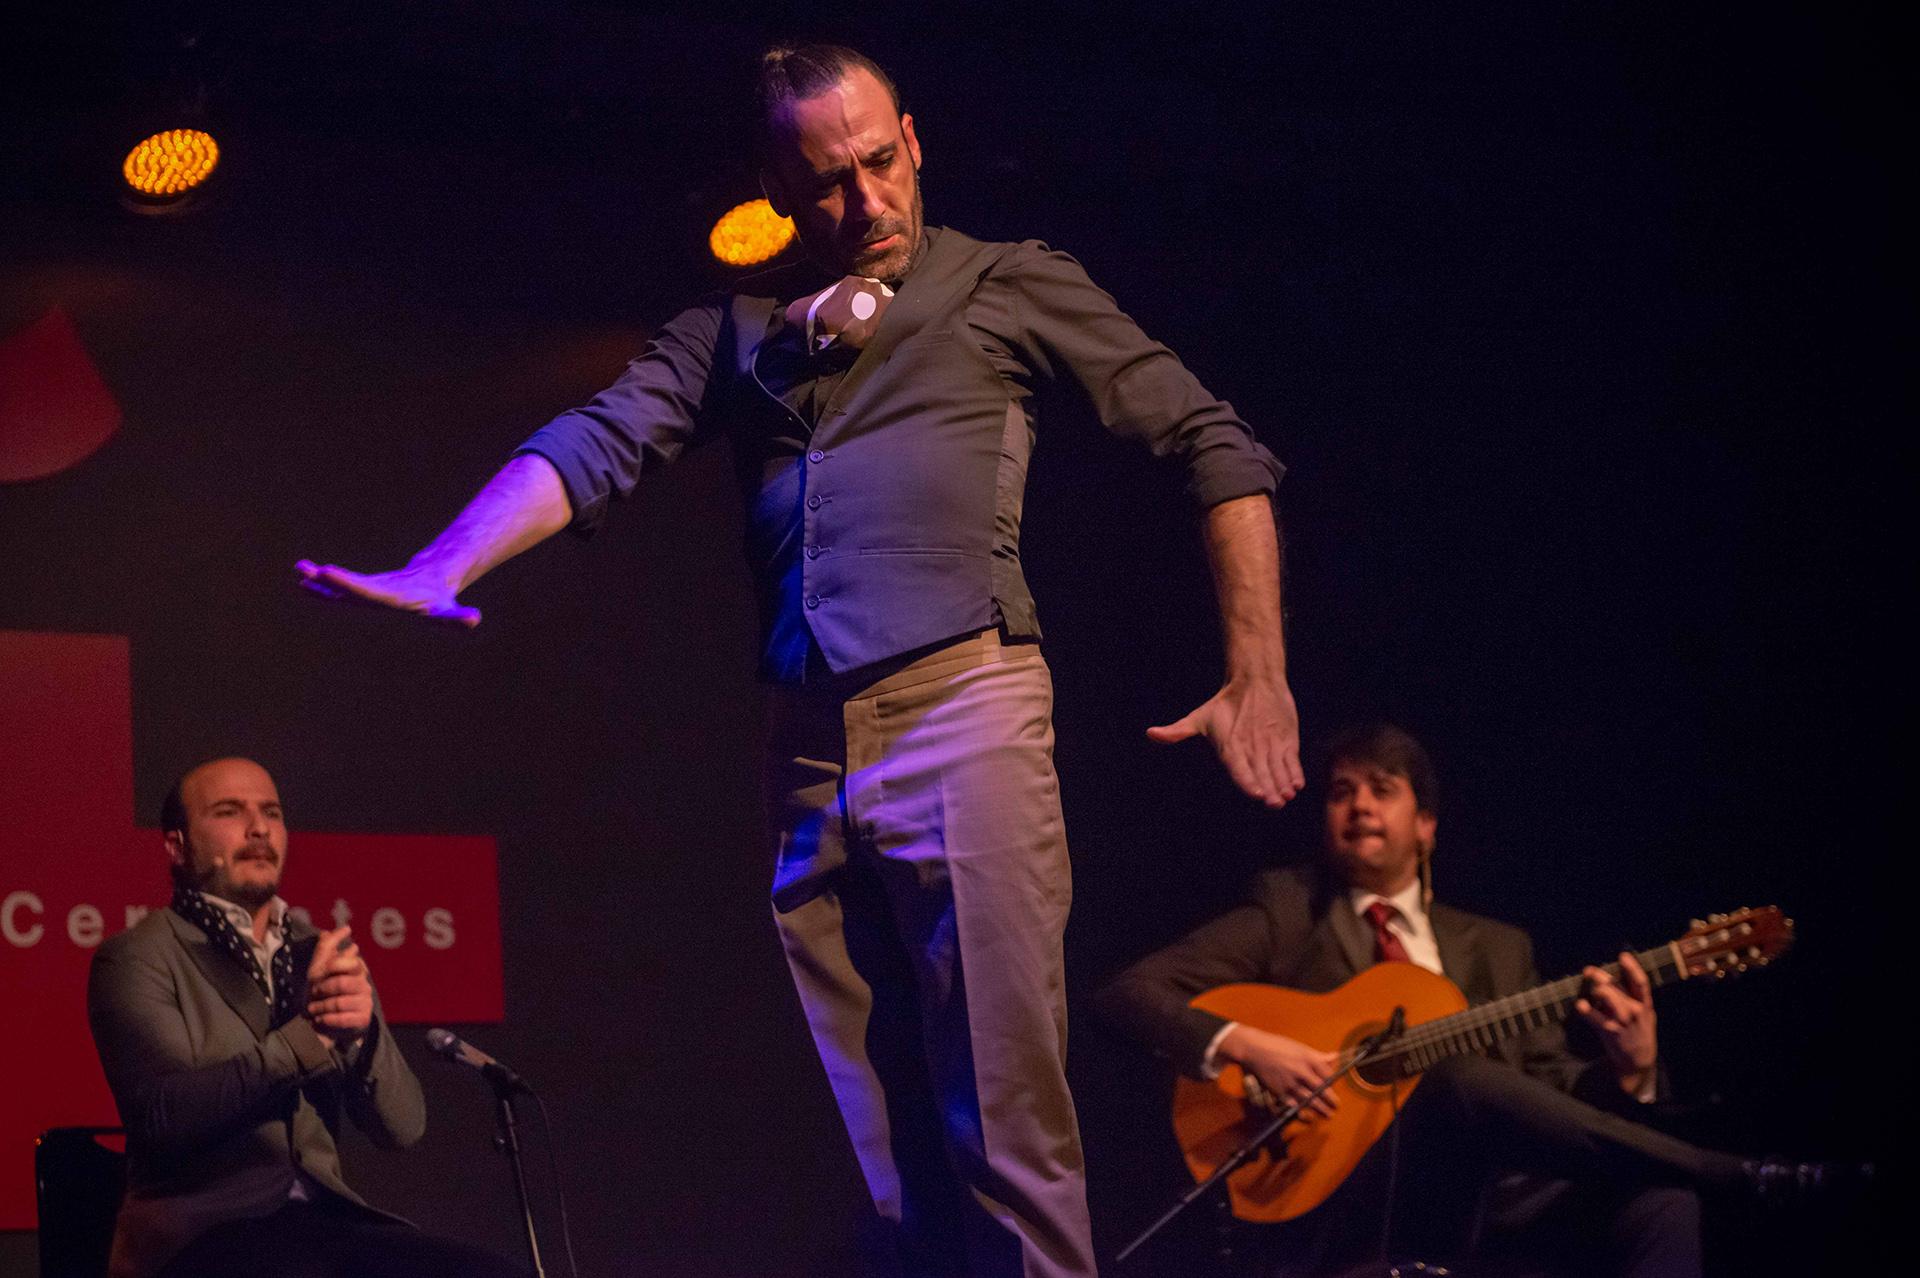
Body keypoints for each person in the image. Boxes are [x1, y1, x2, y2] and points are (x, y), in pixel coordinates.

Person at [295, 42, 1300, 1278]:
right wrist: (443, 564)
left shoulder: (1005, 284)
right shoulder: (736, 334)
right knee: (890, 1153)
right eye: (828, 182)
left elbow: (1215, 445)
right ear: (779, 191)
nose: (867, 201)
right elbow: (597, 441)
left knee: (1004, 1117)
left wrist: (1260, 671)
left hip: (962, 712)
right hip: (811, 753)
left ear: (915, 140)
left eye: (882, 162)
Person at [1095, 723, 1773, 1278]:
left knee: (1664, 1205)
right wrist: (1247, 1045)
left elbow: (1548, 1089)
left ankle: (1697, 1177)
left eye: (1381, 790)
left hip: (1496, 1197)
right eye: (1340, 792)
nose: (1358, 805)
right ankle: (1732, 1172)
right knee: (1453, 1073)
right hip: (1348, 1195)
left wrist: (1632, 1069)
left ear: (1426, 827)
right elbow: (1130, 992)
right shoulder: (1288, 910)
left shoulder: (1500, 948)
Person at [86, 757, 524, 1278]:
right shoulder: (139, 956)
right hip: (200, 1234)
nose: (259, 828)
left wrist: (361, 1037)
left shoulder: (318, 951)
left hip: (326, 1223)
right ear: (177, 844)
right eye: (229, 812)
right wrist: (312, 1035)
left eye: (272, 812)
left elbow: (402, 1127)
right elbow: (165, 1117)